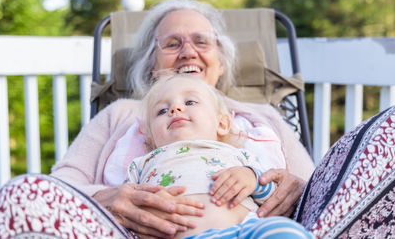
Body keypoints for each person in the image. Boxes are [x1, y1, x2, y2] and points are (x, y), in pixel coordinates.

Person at [0, 0, 395, 239]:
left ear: (220, 63)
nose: (188, 52)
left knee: (391, 132)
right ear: (152, 66)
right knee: (19, 195)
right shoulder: (123, 114)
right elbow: (60, 187)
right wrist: (105, 199)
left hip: (268, 230)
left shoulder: (261, 114)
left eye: (201, 41)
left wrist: (293, 185)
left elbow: (316, 191)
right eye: (172, 44)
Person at [127, 74, 305, 238]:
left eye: (190, 102)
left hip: (243, 231)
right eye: (162, 111)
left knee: (284, 230)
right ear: (150, 139)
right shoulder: (143, 164)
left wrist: (253, 179)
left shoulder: (239, 156)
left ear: (222, 123)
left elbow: (277, 198)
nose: (175, 108)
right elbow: (125, 208)